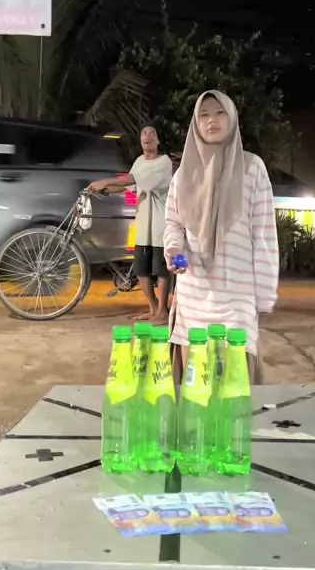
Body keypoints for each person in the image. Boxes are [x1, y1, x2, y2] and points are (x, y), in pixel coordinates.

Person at [164, 90, 279, 382]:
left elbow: (264, 234)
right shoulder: (183, 175)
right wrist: (173, 249)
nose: (211, 121)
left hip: (237, 298)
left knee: (231, 389)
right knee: (194, 390)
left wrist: (264, 295)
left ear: (232, 119)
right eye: (203, 115)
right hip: (193, 295)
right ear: (195, 123)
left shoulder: (252, 168)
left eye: (219, 113)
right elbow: (174, 223)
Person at [87, 126, 172, 323]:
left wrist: (105, 181)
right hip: (143, 224)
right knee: (141, 270)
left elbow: (134, 179)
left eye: (152, 133)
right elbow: (130, 186)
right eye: (144, 134)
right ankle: (152, 308)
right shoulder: (139, 162)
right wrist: (103, 189)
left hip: (160, 224)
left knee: (161, 270)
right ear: (140, 141)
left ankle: (162, 311)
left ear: (158, 141)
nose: (148, 136)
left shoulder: (164, 162)